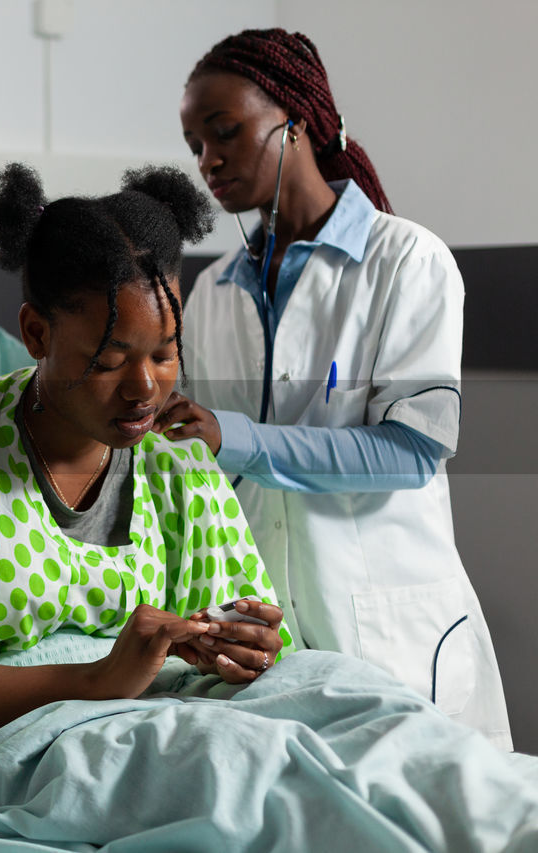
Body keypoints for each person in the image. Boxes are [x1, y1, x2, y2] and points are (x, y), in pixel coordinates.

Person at [0, 163, 293, 746]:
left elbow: (225, 642)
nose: (144, 388)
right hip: (8, 744)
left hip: (171, 725)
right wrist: (102, 679)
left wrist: (242, 648)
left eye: (166, 354)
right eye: (110, 362)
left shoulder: (178, 460)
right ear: (37, 333)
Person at [167, 27, 511, 749]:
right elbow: (208, 482)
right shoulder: (214, 294)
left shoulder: (407, 262)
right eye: (195, 143)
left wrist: (237, 438)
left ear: (294, 121)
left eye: (225, 132)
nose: (208, 160)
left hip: (392, 633)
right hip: (267, 636)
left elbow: (410, 449)